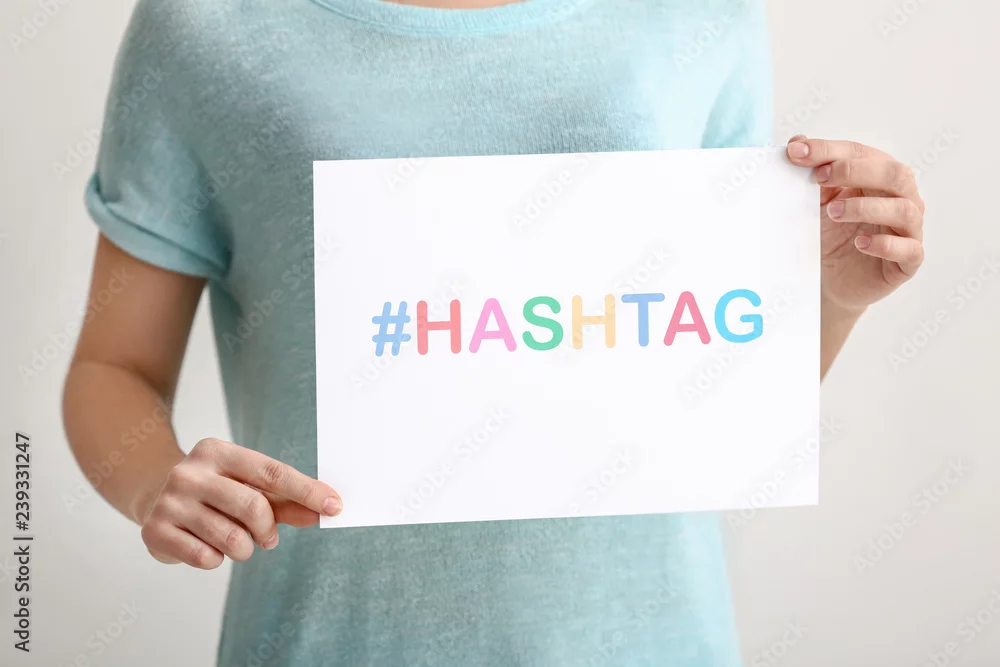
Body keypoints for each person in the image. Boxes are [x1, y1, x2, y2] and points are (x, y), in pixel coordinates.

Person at [62, 0, 925, 665]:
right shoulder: (206, 24)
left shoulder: (701, 14)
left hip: (651, 641)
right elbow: (112, 365)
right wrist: (157, 484)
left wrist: (833, 297)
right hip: (331, 640)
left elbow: (703, 391)